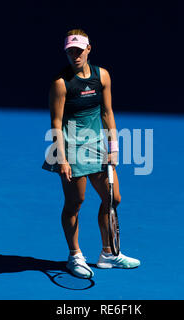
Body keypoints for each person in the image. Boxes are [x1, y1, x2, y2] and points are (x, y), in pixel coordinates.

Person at [42, 29, 140, 278]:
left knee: (113, 199)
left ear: (89, 49)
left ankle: (108, 254)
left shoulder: (102, 76)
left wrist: (113, 148)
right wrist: (62, 158)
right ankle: (74, 255)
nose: (74, 55)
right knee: (75, 203)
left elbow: (107, 112)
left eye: (78, 50)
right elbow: (56, 123)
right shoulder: (60, 83)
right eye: (70, 51)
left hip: (97, 144)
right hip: (71, 146)